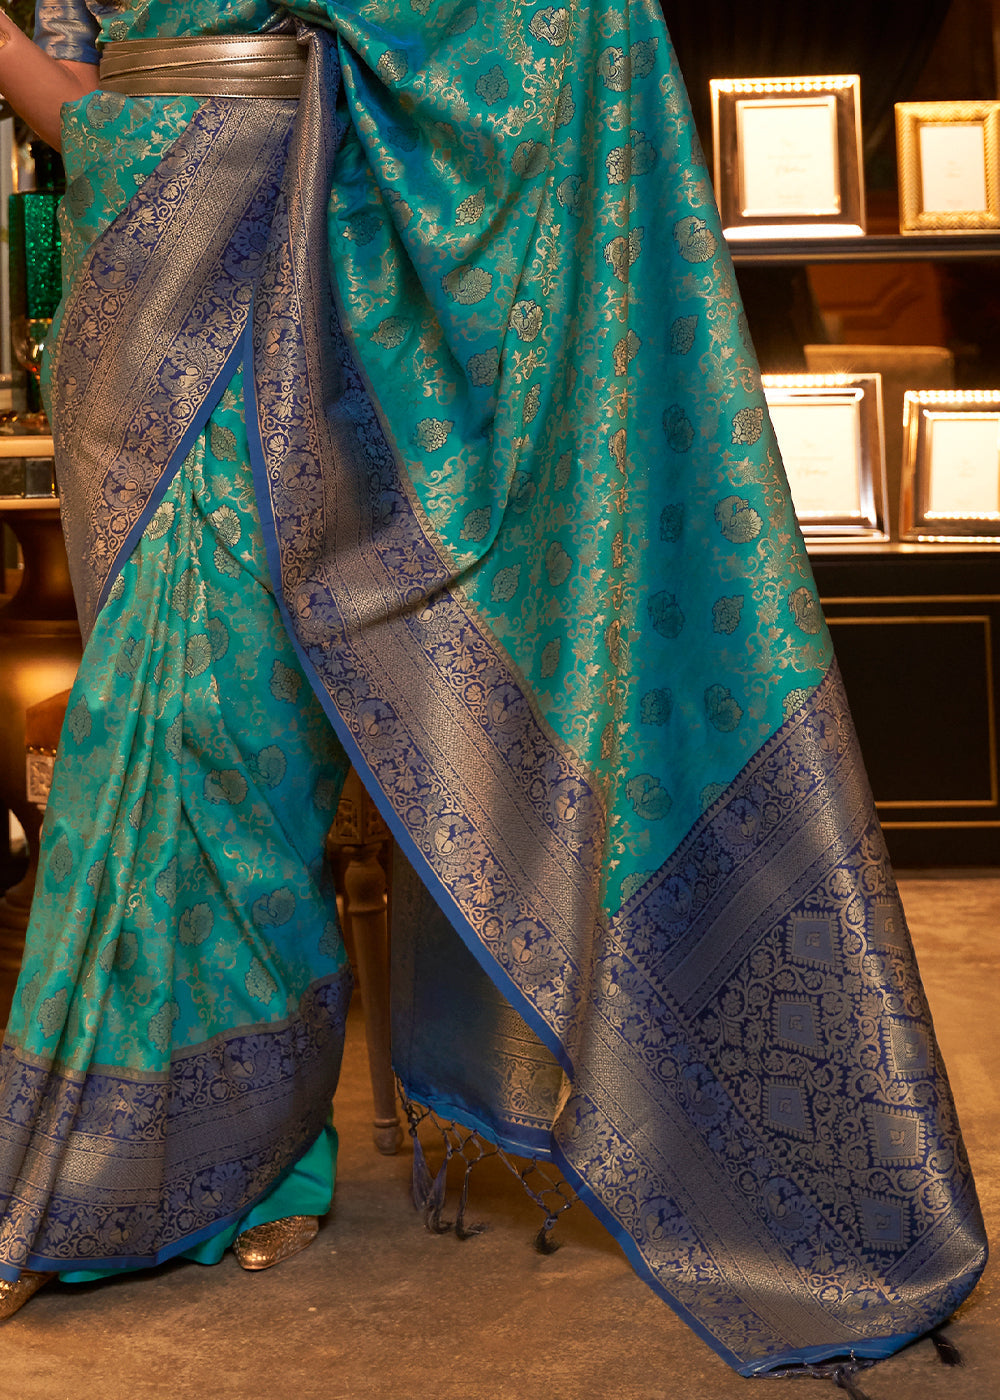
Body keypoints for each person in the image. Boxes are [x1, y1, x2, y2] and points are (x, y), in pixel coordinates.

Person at [0, 0, 987, 1380]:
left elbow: (526, 42)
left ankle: (227, 1162)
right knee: (144, 728)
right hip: (127, 307)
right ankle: (168, 1159)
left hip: (281, 290)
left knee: (229, 747)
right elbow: (79, 92)